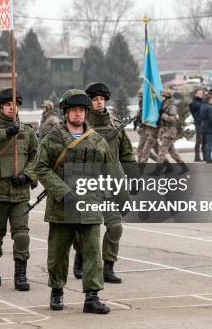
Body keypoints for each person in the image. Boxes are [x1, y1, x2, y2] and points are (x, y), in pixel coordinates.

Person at [35, 89, 118, 314]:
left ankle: (92, 297)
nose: (79, 114)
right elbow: (40, 167)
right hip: (62, 205)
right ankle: (57, 292)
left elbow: (111, 170)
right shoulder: (52, 137)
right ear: (66, 112)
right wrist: (62, 190)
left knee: (92, 252)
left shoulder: (97, 139)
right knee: (58, 252)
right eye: (74, 110)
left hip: (89, 205)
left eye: (82, 110)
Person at [0, 88, 38, 291]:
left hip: (19, 192)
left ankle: (20, 274)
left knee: (21, 234)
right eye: (8, 104)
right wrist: (6, 132)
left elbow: (35, 157)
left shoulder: (27, 131)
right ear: (0, 107)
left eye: (15, 104)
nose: (12, 108)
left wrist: (28, 175)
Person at [72, 82, 134, 283]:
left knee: (115, 227)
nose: (98, 102)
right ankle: (81, 256)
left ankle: (108, 267)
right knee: (86, 231)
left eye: (101, 99)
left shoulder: (116, 125)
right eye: (94, 99)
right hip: (87, 186)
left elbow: (127, 155)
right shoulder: (79, 127)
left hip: (110, 184)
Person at [150, 89, 189, 175]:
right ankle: (184, 167)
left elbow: (174, 119)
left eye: (162, 96)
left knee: (161, 151)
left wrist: (163, 115)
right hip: (165, 130)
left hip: (169, 131)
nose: (161, 97)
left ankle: (158, 170)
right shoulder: (163, 106)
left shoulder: (171, 106)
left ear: (166, 97)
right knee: (172, 152)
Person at [199, 94, 212, 163]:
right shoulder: (210, 108)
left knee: (204, 143)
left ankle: (205, 157)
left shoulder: (202, 106)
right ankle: (208, 158)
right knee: (209, 143)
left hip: (203, 126)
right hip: (210, 128)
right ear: (209, 99)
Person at [189, 89, 205, 162]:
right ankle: (197, 157)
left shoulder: (202, 102)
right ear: (195, 94)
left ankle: (205, 156)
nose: (201, 94)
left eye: (201, 93)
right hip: (199, 123)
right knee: (199, 140)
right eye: (199, 93)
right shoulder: (194, 103)